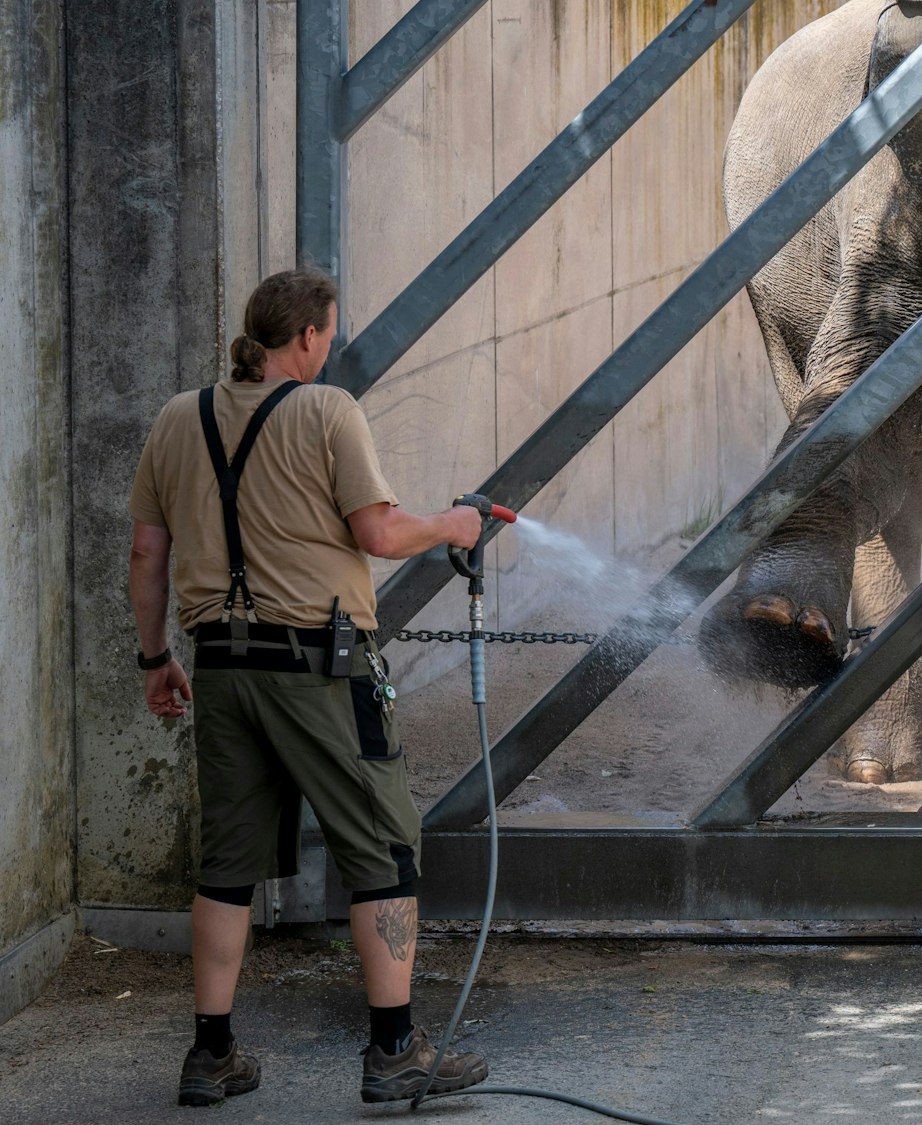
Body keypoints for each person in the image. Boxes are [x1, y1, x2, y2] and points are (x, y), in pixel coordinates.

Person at [128, 269, 491, 1106]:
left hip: (219, 666)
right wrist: (453, 523)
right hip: (320, 670)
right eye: (327, 334)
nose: (328, 346)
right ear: (306, 340)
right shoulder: (328, 411)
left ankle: (210, 1053)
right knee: (386, 847)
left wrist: (157, 661)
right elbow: (379, 531)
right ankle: (396, 1047)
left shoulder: (176, 419)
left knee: (226, 864)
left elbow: (149, 555)